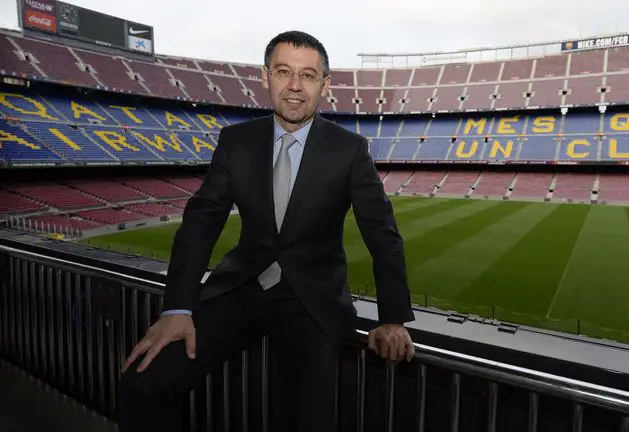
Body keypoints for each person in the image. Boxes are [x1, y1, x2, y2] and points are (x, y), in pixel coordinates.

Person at [117, 30, 415, 432]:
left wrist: (392, 318)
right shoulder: (236, 141)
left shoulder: (349, 150)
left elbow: (382, 233)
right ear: (265, 76)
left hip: (312, 303)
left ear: (324, 85)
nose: (295, 86)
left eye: (308, 75)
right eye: (283, 71)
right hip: (240, 289)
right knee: (143, 382)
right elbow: (201, 222)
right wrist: (177, 308)